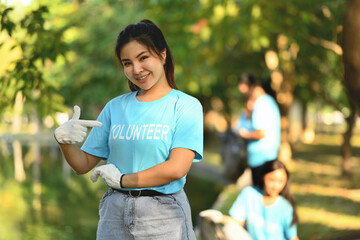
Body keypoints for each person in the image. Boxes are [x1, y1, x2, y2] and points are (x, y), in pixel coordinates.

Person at [54, 19, 203, 240]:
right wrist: (64, 141)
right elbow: (83, 164)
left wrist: (123, 180)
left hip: (164, 216)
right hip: (114, 214)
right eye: (127, 63)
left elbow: (177, 168)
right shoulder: (115, 107)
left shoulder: (185, 106)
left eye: (143, 58)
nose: (136, 70)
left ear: (163, 55)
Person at [200, 159, 299, 240]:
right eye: (272, 180)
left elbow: (292, 237)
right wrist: (219, 217)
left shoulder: (286, 207)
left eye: (281, 181)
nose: (275, 185)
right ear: (263, 177)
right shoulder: (249, 194)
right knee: (229, 229)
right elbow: (238, 221)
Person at [236, 74, 281, 187]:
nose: (246, 97)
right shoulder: (269, 101)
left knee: (260, 190)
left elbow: (261, 133)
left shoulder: (261, 104)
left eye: (245, 93)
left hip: (261, 157)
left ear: (251, 87)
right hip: (269, 155)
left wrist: (245, 134)